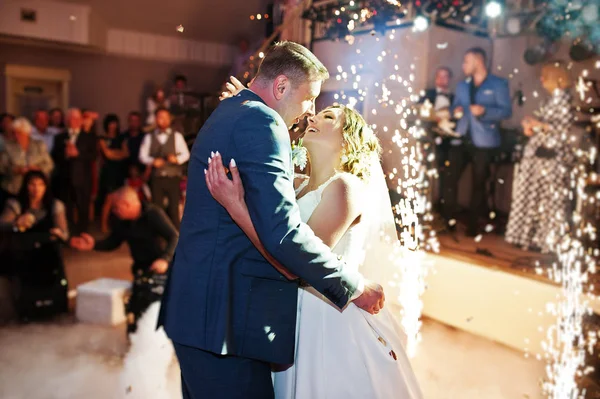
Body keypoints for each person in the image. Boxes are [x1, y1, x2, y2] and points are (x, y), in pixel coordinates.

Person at [158, 41, 386, 399]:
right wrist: (354, 286)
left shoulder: (235, 112)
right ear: (280, 87)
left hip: (207, 312)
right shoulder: (262, 121)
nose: (310, 111)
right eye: (310, 98)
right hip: (225, 321)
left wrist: (237, 204)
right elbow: (284, 236)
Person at [206, 100, 423, 398]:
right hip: (289, 313)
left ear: (347, 140)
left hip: (325, 319)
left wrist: (235, 205)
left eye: (328, 116)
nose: (313, 117)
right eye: (317, 112)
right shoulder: (295, 186)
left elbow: (300, 263)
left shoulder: (345, 186)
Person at [70, 186, 177, 397]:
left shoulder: (152, 214)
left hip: (163, 269)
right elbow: (113, 242)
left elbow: (174, 236)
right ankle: (135, 354)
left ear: (129, 205)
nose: (114, 211)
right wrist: (93, 245)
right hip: (141, 270)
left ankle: (166, 352)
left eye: (117, 207)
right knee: (135, 311)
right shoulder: (122, 221)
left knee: (158, 311)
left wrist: (164, 259)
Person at [505, 62, 575, 253]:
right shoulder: (553, 100)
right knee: (535, 199)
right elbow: (548, 126)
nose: (542, 80)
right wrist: (533, 126)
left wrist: (538, 124)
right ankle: (529, 237)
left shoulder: (565, 100)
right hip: (539, 158)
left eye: (545, 76)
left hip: (550, 161)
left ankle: (545, 240)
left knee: (548, 202)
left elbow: (562, 129)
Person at [445, 48, 512, 236]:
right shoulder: (462, 86)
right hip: (461, 138)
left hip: (485, 142)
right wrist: (455, 110)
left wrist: (485, 112)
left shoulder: (498, 84)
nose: (463, 66)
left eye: (466, 61)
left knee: (478, 185)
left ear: (478, 61)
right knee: (450, 178)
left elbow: (506, 111)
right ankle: (448, 222)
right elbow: (454, 108)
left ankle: (473, 227)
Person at [0, 170, 69, 321]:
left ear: (46, 187)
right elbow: (3, 224)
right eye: (32, 184)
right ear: (26, 186)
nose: (36, 188)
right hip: (23, 249)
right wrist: (16, 223)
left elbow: (65, 234)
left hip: (47, 250)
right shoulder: (15, 204)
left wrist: (59, 233)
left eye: (40, 184)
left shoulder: (55, 205)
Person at [138, 107, 189, 229]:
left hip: (173, 178)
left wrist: (176, 159)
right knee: (157, 210)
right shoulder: (149, 137)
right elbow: (142, 156)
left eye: (166, 118)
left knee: (174, 210)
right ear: (156, 119)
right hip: (157, 178)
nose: (163, 120)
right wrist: (152, 161)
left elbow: (186, 154)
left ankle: (176, 238)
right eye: (160, 117)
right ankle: (158, 238)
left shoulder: (176, 136)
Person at [52, 108, 97, 234]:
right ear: (66, 120)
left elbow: (93, 156)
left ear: (81, 120)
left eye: (76, 118)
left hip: (82, 179)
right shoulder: (59, 137)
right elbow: (54, 156)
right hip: (65, 179)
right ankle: (69, 234)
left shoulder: (89, 137)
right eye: (71, 118)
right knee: (67, 209)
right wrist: (65, 154)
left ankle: (82, 234)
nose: (74, 121)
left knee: (83, 208)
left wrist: (78, 154)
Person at [0, 117, 54, 196]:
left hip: (36, 190)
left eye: (19, 133)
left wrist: (37, 169)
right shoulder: (8, 146)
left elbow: (49, 164)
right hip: (13, 188)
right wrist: (16, 170)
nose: (16, 135)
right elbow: (2, 167)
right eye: (14, 132)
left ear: (27, 132)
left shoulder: (39, 145)